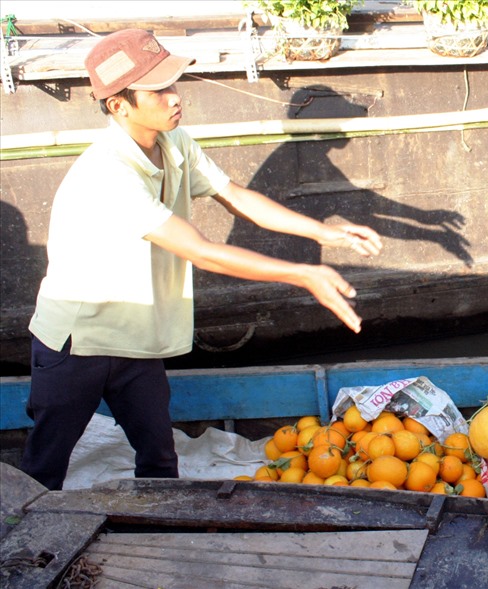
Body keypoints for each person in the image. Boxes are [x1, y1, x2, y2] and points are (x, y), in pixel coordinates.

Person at [19, 29, 383, 491]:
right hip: (77, 341)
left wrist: (323, 231)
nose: (174, 99)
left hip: (135, 337)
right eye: (159, 90)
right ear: (119, 105)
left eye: (174, 85)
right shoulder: (107, 173)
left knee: (158, 457)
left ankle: (163, 537)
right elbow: (199, 249)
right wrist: (302, 273)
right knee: (45, 467)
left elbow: (236, 196)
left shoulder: (174, 142)